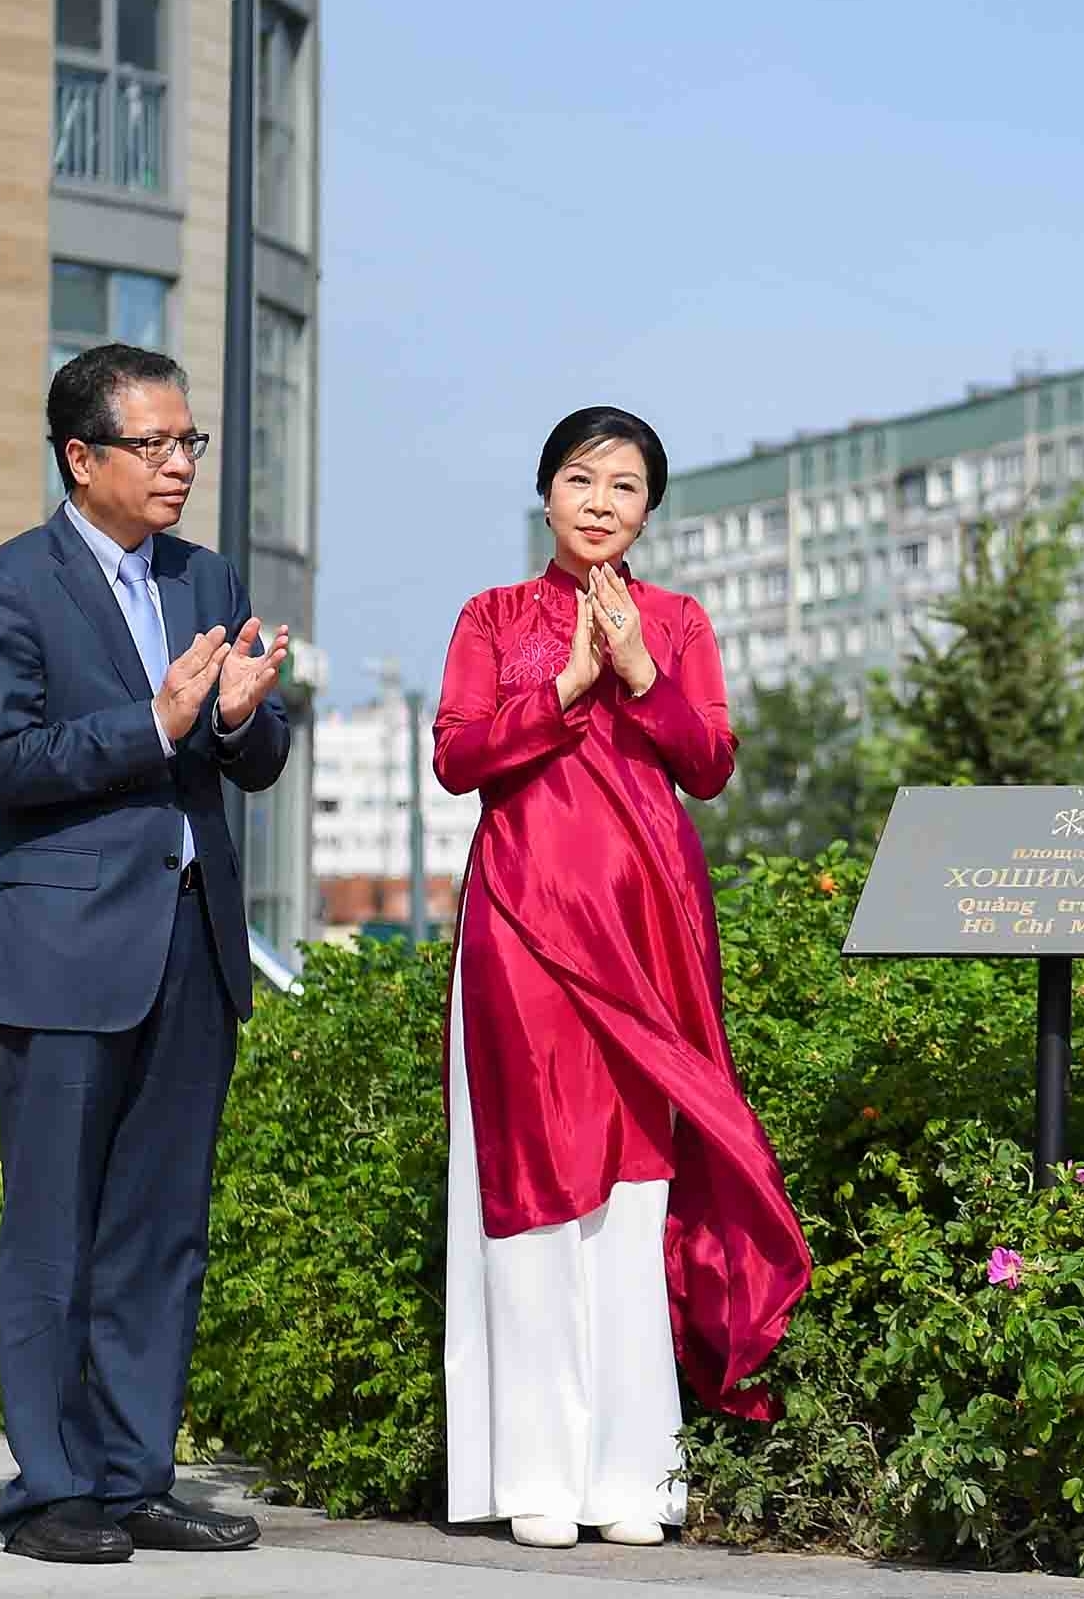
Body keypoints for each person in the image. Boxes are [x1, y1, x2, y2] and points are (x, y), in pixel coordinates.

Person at [434, 407, 811, 1550]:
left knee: (639, 1191)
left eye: (628, 486)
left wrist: (641, 670)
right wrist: (563, 688)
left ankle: (638, 1473)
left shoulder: (681, 621)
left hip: (651, 934)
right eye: (583, 479)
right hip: (521, 927)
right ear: (546, 491)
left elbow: (709, 764)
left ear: (651, 508)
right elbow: (456, 755)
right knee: (534, 1189)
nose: (602, 501)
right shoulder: (493, 616)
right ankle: (538, 1470)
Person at [0, 344, 294, 1564]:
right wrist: (153, 722)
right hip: (64, 955)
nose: (180, 466)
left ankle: (134, 1471)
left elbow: (253, 754)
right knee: (54, 1230)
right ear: (79, 456)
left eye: (190, 442)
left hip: (192, 950)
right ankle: (51, 1489)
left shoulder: (208, 576)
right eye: (154, 445)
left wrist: (243, 718)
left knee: (161, 1233)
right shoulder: (8, 585)